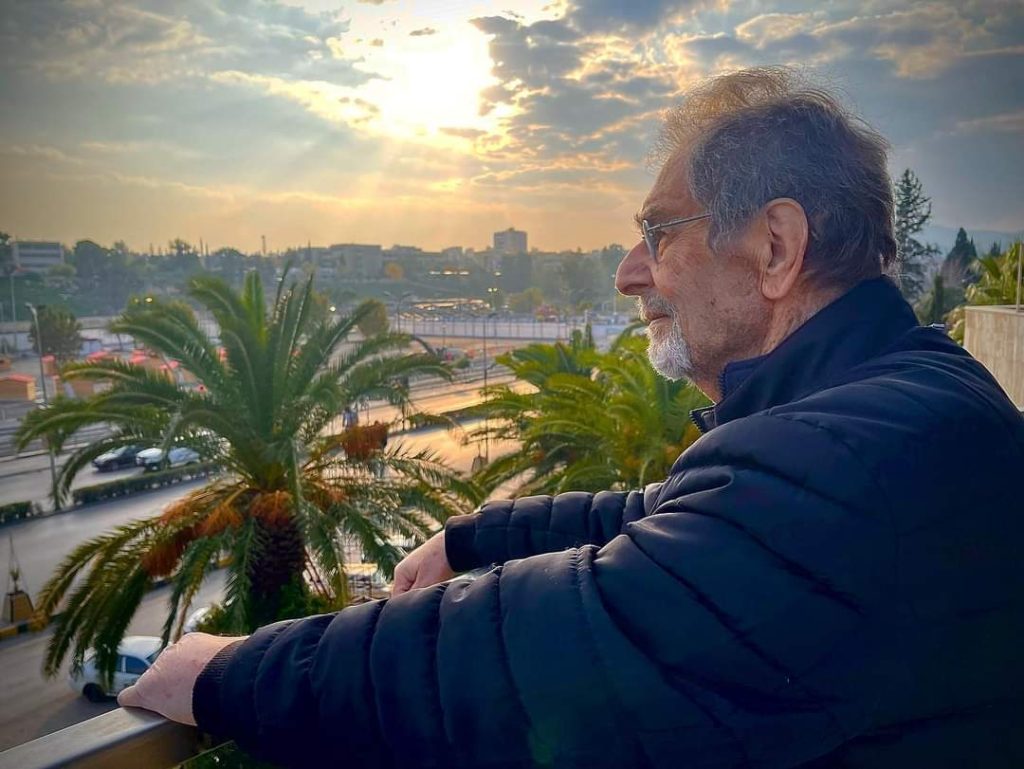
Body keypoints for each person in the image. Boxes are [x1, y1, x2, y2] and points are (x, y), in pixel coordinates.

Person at [118, 67, 1024, 768]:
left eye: (659, 232)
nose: (630, 272)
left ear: (776, 248)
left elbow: (544, 652)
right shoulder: (895, 402)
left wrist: (231, 671)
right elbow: (678, 522)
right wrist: (472, 537)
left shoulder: (843, 463)